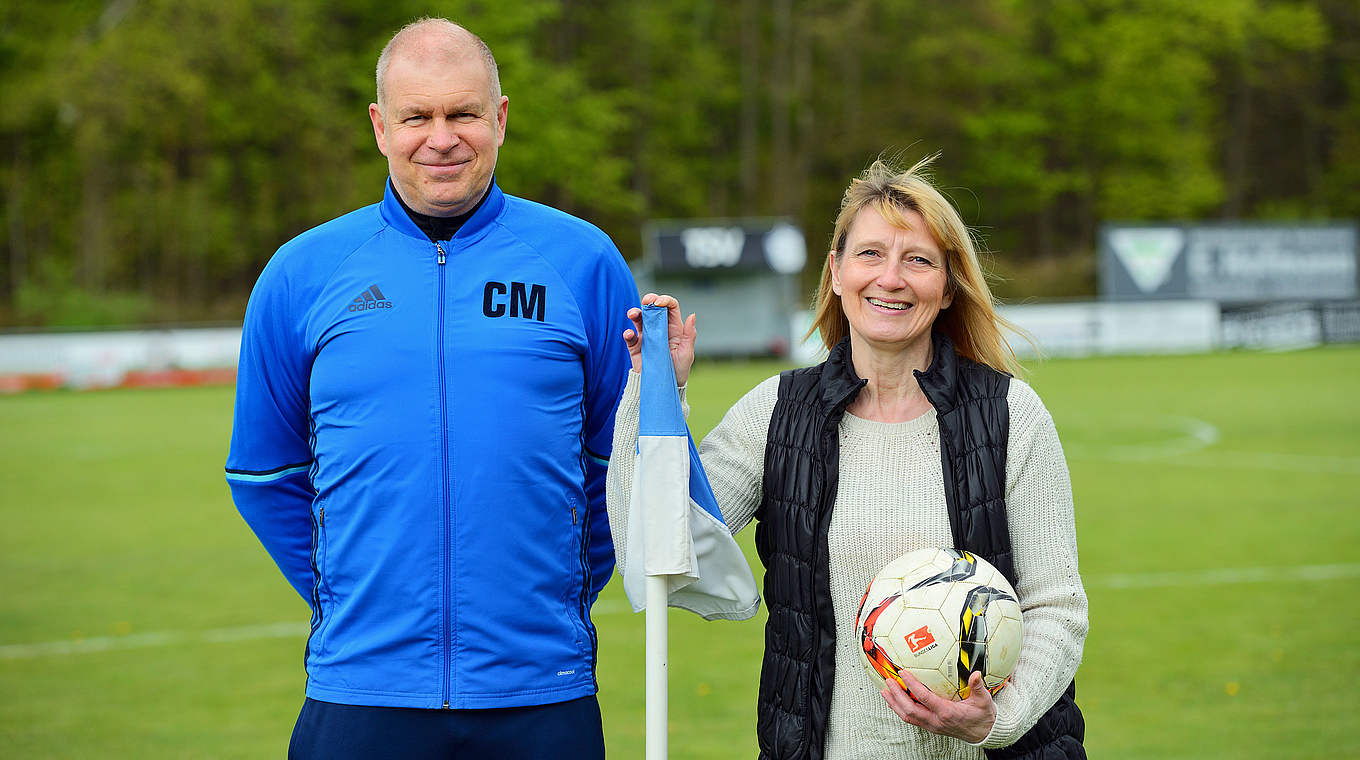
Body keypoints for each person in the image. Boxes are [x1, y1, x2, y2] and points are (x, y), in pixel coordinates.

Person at [224, 18, 637, 759]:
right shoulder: (301, 273)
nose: (440, 138)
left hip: (542, 690)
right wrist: (352, 602)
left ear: (501, 119)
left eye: (463, 113)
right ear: (381, 127)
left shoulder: (584, 262)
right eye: (417, 116)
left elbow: (624, 467)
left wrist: (554, 597)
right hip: (361, 689)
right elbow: (264, 474)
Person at [607, 156, 1087, 759]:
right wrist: (654, 390)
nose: (891, 278)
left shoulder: (1012, 415)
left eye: (918, 260)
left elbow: (1057, 606)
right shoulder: (777, 414)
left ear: (946, 287)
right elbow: (653, 548)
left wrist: (995, 720)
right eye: (869, 255)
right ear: (835, 273)